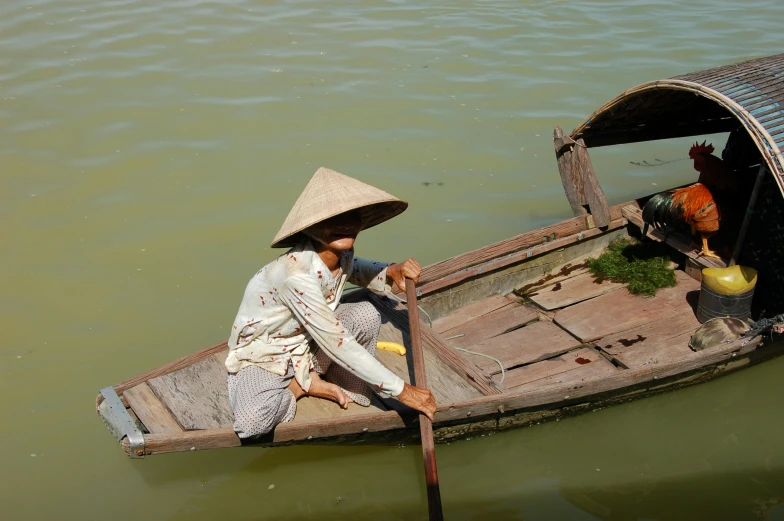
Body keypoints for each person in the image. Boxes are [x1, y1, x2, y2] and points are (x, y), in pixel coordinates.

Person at [225, 167, 437, 438]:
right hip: (266, 355)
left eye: (351, 217)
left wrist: (391, 270)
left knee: (366, 314)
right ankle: (301, 386)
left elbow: (356, 269)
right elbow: (339, 343)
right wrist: (404, 392)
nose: (344, 224)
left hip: (306, 344)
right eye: (333, 219)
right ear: (311, 228)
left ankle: (317, 375)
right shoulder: (293, 275)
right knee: (251, 424)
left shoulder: (341, 253)